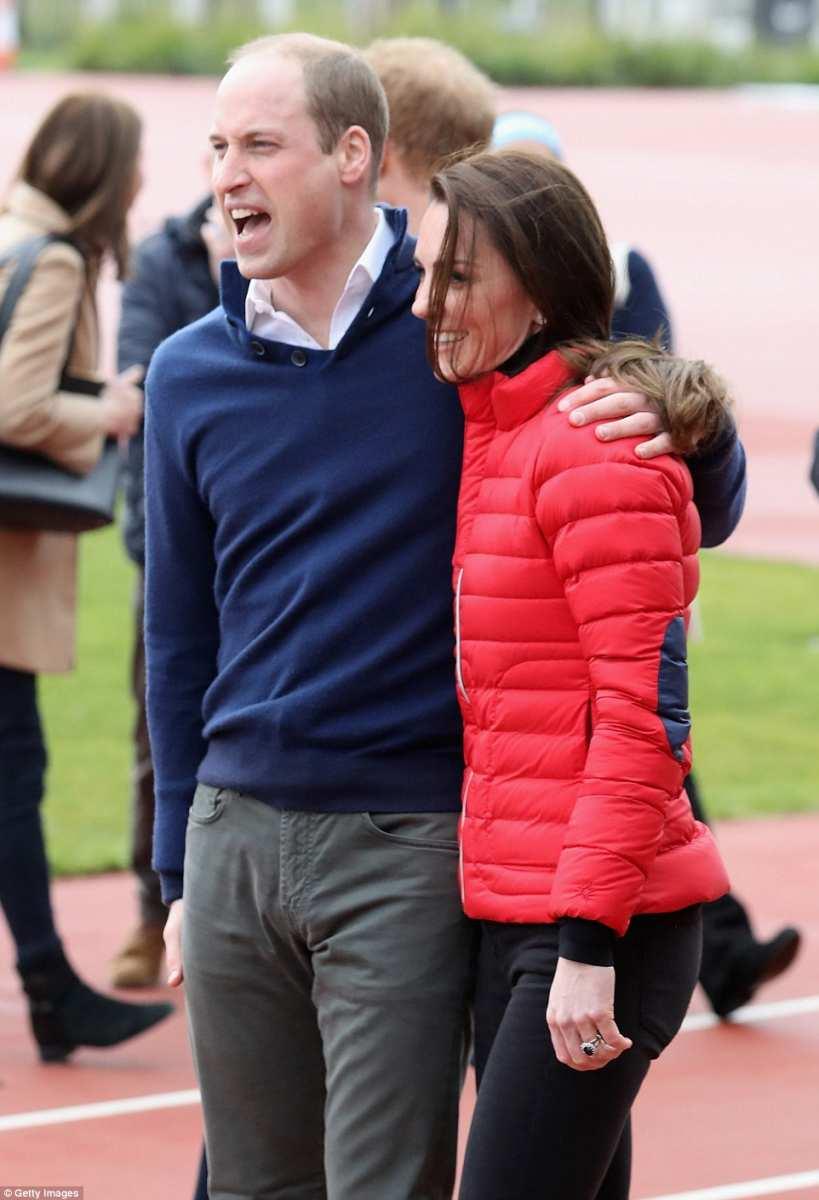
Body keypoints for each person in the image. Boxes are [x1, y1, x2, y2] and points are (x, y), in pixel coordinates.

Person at [145, 34, 746, 1200]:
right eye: (216, 146)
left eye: (259, 143)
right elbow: (175, 640)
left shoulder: (458, 338)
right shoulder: (189, 370)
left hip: (414, 839)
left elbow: (667, 492)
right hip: (235, 838)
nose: (225, 174)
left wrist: (690, 418)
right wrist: (178, 869)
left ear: (354, 156)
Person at [411, 148, 732, 1200]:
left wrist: (587, 944)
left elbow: (643, 722)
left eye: (457, 277)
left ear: (542, 289)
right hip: (517, 910)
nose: (423, 304)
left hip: (599, 928)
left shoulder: (594, 451)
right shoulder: (494, 432)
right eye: (423, 272)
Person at [492, 107, 801, 1020]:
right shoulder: (450, 304)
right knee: (635, 752)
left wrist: (681, 433)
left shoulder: (620, 268)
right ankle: (724, 949)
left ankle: (717, 948)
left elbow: (664, 385)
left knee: (638, 745)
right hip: (547, 564)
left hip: (605, 538)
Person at [0, 92, 172, 1062]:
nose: (143, 181)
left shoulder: (7, 231)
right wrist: (107, 412)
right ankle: (51, 990)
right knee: (14, 772)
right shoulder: (56, 258)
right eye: (135, 161)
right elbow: (15, 404)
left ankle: (51, 985)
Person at [110, 195, 227, 990]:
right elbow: (144, 385)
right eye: (224, 147)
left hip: (263, 550)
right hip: (174, 546)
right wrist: (229, 286)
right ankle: (149, 912)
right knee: (158, 735)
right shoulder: (163, 259)